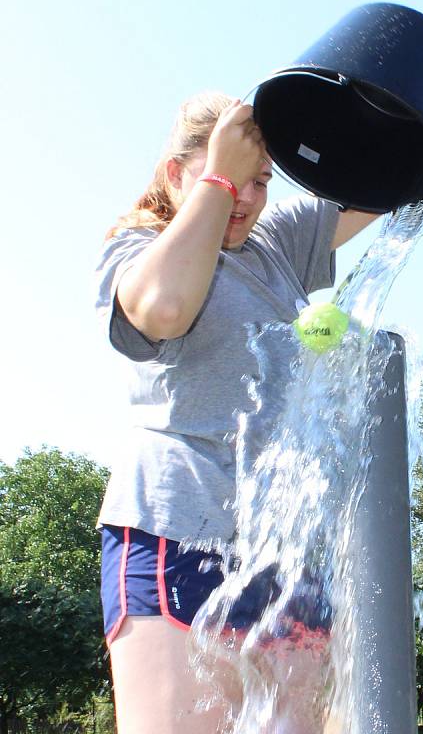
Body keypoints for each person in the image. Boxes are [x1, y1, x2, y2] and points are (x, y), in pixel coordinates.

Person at [94, 91, 378, 734]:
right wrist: (220, 179)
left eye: (260, 181)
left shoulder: (276, 243)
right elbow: (163, 311)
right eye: (227, 177)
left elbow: (381, 183)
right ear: (176, 175)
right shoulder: (140, 246)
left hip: (283, 547)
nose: (245, 199)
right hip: (174, 530)